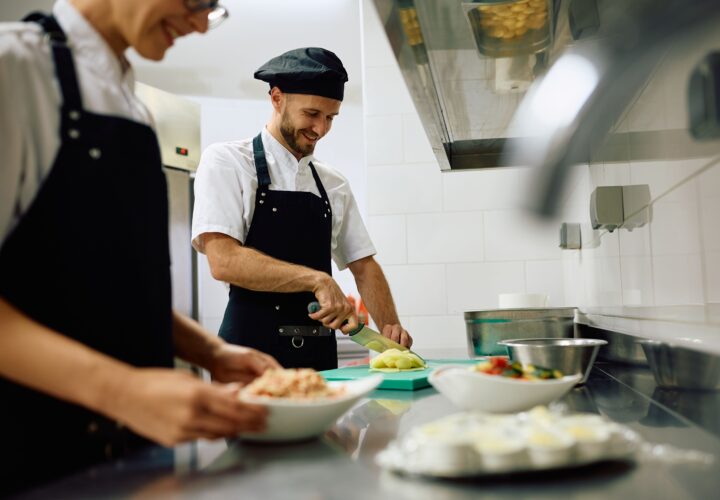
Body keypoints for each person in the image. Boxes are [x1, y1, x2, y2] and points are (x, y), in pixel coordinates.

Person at [0, 0, 281, 495]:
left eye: (212, 9)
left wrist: (211, 351)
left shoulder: (130, 104)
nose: (198, 24)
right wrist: (121, 390)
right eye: (195, 2)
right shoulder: (14, 69)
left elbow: (106, 283)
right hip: (31, 458)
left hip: (130, 459)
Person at [192, 47, 413, 371]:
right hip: (250, 358)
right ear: (277, 98)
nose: (321, 128)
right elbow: (223, 261)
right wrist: (318, 280)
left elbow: (364, 265)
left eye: (330, 118)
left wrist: (390, 329)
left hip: (319, 359)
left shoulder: (332, 183)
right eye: (312, 114)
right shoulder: (227, 161)